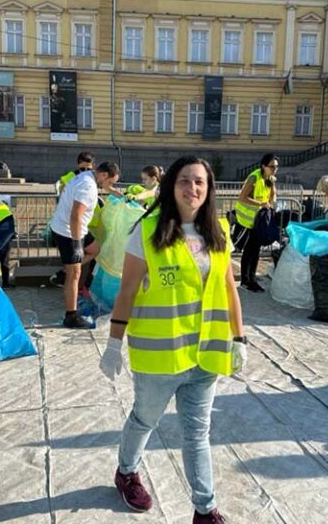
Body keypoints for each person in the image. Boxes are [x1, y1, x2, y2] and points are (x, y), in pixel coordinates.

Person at [99, 156, 245, 524]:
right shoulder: (148, 231)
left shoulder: (218, 231)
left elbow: (229, 288)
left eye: (199, 182)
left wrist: (239, 338)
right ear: (170, 186)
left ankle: (205, 510)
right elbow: (127, 291)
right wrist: (114, 343)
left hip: (205, 355)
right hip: (159, 357)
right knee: (144, 420)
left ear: (209, 189)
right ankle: (126, 471)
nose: (192, 188)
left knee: (197, 434)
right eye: (184, 180)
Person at [50, 161, 119, 328]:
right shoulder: (88, 187)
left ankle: (65, 270)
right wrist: (76, 245)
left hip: (75, 229)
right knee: (75, 274)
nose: (108, 186)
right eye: (110, 182)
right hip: (68, 232)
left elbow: (105, 187)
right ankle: (71, 316)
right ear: (103, 175)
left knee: (95, 249)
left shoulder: (87, 176)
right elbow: (76, 216)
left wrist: (118, 194)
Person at [235, 153, 277, 292]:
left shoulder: (270, 179)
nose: (275, 169)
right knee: (249, 251)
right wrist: (261, 203)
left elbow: (273, 194)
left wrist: (272, 202)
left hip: (259, 220)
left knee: (256, 251)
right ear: (264, 166)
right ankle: (245, 280)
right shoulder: (254, 177)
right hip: (247, 220)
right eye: (272, 166)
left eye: (276, 167)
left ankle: (252, 279)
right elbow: (242, 197)